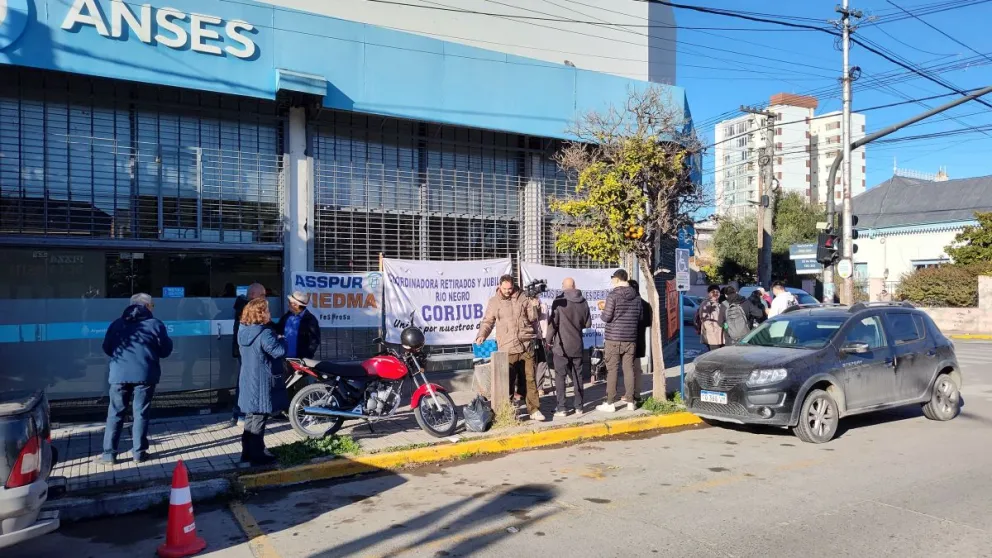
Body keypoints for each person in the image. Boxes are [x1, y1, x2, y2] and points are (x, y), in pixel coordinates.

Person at [99, 293, 173, 465]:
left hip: (119, 375)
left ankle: (109, 454)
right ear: (147, 306)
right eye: (152, 305)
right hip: (145, 375)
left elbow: (107, 348)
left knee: (115, 413)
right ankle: (139, 453)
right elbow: (165, 350)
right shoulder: (155, 324)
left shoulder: (117, 324)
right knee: (140, 413)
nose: (153, 308)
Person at [476, 275, 544, 420]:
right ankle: (508, 411)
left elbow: (532, 318)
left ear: (514, 286)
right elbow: (487, 321)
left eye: (510, 288)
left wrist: (534, 305)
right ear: (500, 286)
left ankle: (534, 410)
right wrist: (482, 335)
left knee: (530, 379)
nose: (508, 291)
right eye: (505, 288)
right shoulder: (494, 302)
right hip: (507, 346)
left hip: (526, 343)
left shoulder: (523, 297)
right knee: (508, 380)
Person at [237, 298, 288, 465]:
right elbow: (278, 351)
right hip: (261, 381)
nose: (270, 314)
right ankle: (258, 456)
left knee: (251, 417)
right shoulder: (264, 333)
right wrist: (281, 338)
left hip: (247, 379)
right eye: (267, 311)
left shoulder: (242, 330)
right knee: (259, 418)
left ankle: (246, 453)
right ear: (260, 313)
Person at [596, 269, 642, 413]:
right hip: (630, 338)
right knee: (628, 370)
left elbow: (606, 317)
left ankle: (610, 402)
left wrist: (602, 310)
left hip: (613, 338)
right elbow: (639, 317)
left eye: (612, 278)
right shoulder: (637, 297)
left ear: (616, 279)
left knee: (612, 370)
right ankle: (630, 402)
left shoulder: (613, 295)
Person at [545, 278, 591, 418]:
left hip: (561, 346)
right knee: (577, 375)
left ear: (563, 287)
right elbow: (587, 324)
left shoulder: (559, 301)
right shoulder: (583, 301)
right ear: (574, 286)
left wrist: (548, 340)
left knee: (560, 377)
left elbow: (553, 324)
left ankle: (562, 407)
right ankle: (579, 407)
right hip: (577, 344)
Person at [231, 283, 267, 427]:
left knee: (245, 380)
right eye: (262, 295)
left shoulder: (243, 306)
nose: (265, 298)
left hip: (244, 349)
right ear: (253, 295)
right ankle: (241, 413)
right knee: (246, 381)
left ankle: (240, 413)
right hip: (247, 350)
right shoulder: (247, 309)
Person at [276, 291, 321, 360]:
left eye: (289, 302)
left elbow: (314, 341)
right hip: (283, 359)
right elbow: (277, 330)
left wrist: (306, 357)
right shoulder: (286, 316)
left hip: (300, 362)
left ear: (295, 305)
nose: (288, 304)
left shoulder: (310, 320)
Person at [628, 279, 652, 404]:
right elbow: (648, 323)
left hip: (628, 340)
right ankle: (636, 393)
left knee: (629, 369)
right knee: (636, 369)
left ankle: (630, 395)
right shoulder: (645, 304)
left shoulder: (629, 303)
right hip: (640, 341)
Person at [694, 285, 726, 351]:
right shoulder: (706, 303)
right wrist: (712, 331)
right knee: (714, 355)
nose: (715, 293)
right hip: (712, 336)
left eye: (717, 291)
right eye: (713, 292)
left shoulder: (719, 303)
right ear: (709, 293)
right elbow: (705, 320)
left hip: (720, 334)